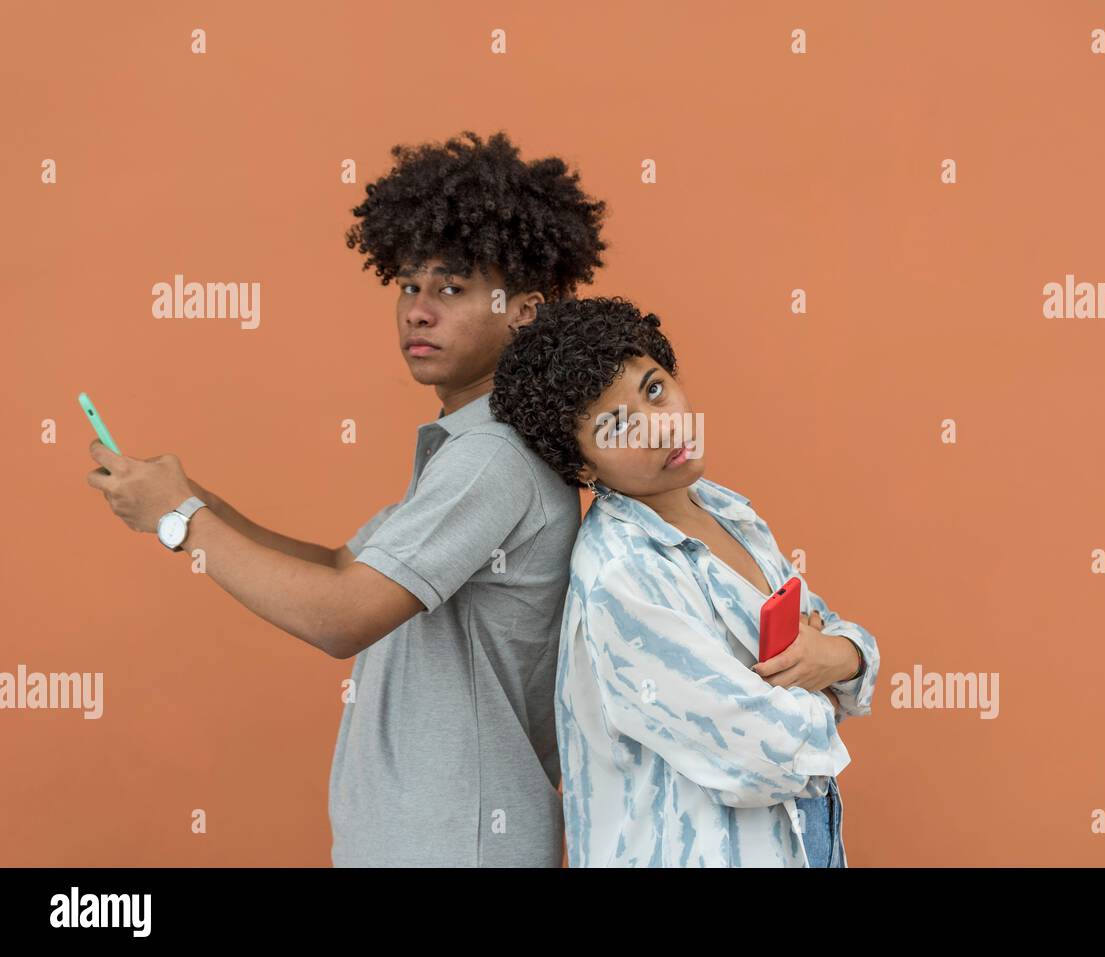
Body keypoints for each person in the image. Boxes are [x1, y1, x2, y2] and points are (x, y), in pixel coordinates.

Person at [85, 130, 609, 866]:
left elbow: (341, 617)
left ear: (523, 310)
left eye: (451, 289)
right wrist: (184, 495)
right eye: (408, 286)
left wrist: (182, 522)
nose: (418, 310)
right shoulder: (468, 449)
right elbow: (341, 566)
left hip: (455, 843)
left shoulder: (492, 458)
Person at [489, 296, 881, 867]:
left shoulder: (727, 511)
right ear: (581, 466)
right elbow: (764, 752)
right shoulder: (623, 576)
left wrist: (841, 656)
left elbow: (835, 637)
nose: (660, 426)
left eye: (653, 389)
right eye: (616, 424)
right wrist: (823, 681)